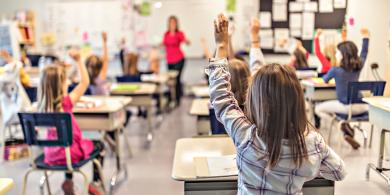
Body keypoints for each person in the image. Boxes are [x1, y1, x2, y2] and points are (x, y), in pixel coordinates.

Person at [208, 14, 346, 194]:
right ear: (296, 100)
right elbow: (339, 172)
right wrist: (310, 166)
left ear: (256, 99)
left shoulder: (247, 138)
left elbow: (222, 98)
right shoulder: (311, 143)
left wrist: (221, 46)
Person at [38, 49, 104, 195]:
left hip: (50, 156)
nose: (67, 83)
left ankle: (68, 182)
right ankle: (95, 182)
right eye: (65, 81)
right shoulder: (66, 103)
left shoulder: (41, 109)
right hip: (70, 155)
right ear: (61, 85)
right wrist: (80, 60)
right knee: (99, 145)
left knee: (65, 148)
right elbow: (85, 82)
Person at [315, 28, 370, 149]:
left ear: (343, 55)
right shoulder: (358, 67)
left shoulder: (336, 70)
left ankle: (340, 125)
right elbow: (364, 53)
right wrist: (366, 38)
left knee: (318, 108)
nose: (335, 54)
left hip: (346, 107)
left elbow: (324, 80)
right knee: (336, 108)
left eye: (337, 52)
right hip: (363, 107)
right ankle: (344, 126)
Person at [162, 15, 190, 106]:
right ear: (168, 23)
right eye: (171, 22)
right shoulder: (166, 34)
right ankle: (170, 99)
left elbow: (185, 41)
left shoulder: (179, 33)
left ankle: (178, 100)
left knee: (177, 80)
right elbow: (163, 44)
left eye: (174, 22)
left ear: (176, 23)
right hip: (169, 60)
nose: (172, 24)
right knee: (169, 80)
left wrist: (187, 41)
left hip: (179, 59)